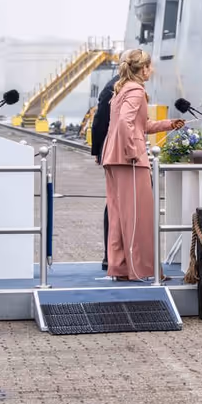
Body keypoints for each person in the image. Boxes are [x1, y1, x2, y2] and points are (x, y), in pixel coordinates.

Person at [101, 50, 184, 281]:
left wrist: (168, 124)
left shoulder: (121, 89)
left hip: (113, 157)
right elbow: (127, 123)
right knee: (140, 216)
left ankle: (120, 267)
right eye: (149, 66)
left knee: (119, 215)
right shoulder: (136, 91)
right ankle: (143, 269)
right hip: (130, 161)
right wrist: (133, 153)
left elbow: (139, 124)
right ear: (143, 68)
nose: (151, 70)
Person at [89, 74, 117, 271]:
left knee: (115, 204)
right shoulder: (113, 87)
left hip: (116, 152)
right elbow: (100, 121)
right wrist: (97, 150)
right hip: (118, 154)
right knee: (115, 204)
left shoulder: (117, 85)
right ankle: (111, 255)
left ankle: (113, 256)